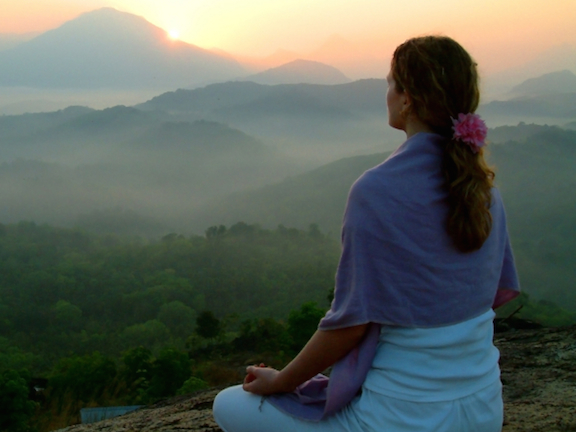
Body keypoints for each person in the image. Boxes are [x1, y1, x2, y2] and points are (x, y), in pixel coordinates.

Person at [212, 35, 520, 432]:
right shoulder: (483, 189)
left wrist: (283, 380)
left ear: (407, 99)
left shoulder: (376, 190)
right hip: (483, 411)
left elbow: (349, 326)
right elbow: (489, 295)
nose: (387, 94)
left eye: (391, 84)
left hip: (402, 419)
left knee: (228, 404)